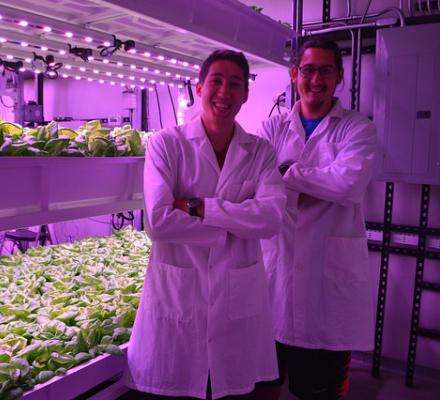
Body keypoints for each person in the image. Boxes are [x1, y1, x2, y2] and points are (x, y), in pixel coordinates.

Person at [123, 50, 287, 399]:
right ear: (199, 88)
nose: (224, 92)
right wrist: (237, 221)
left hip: (237, 296)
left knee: (231, 387)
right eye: (216, 81)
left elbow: (271, 219)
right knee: (176, 384)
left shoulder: (260, 152)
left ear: (245, 94)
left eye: (234, 84)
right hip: (177, 295)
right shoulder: (167, 144)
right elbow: (159, 222)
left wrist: (198, 206)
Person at [256, 38, 377, 400]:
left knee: (320, 391)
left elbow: (348, 184)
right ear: (295, 74)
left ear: (339, 77)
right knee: (263, 385)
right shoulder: (272, 128)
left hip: (328, 291)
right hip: (273, 284)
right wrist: (316, 184)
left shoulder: (358, 129)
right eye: (308, 70)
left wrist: (286, 174)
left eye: (326, 71)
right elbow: (256, 184)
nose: (316, 79)